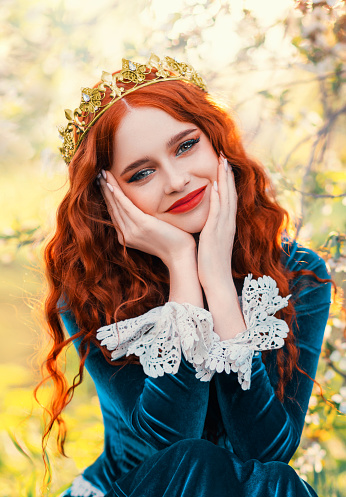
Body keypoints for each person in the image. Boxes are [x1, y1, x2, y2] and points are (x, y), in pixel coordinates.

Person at [38, 54, 332, 497]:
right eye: (142, 173)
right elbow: (175, 453)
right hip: (136, 487)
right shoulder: (88, 289)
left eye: (185, 146)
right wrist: (182, 267)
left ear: (217, 143)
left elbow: (267, 452)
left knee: (277, 482)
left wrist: (217, 281)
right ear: (109, 196)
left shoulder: (299, 273)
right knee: (198, 461)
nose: (176, 180)